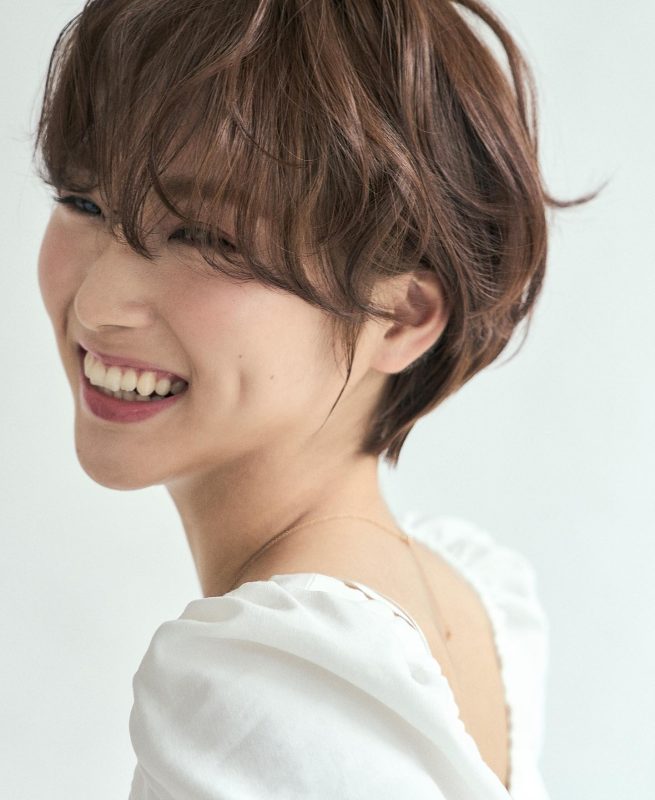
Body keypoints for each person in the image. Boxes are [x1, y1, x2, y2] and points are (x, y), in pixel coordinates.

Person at [33, 1, 596, 797]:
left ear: (400, 317)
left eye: (207, 237)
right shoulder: (457, 602)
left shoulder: (263, 683)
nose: (96, 305)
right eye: (83, 201)